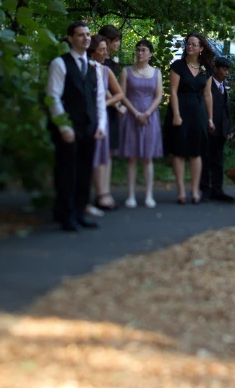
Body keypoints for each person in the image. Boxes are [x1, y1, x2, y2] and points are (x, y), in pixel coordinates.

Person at [46, 21, 107, 232]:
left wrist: (101, 125)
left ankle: (80, 213)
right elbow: (53, 97)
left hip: (89, 126)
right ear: (70, 38)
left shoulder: (94, 67)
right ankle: (65, 214)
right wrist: (63, 126)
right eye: (80, 35)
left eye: (88, 34)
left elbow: (98, 99)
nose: (86, 38)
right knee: (67, 171)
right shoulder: (59, 64)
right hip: (68, 127)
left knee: (84, 171)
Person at [163, 32, 216, 204]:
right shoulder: (177, 66)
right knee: (179, 152)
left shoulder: (206, 69)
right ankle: (181, 192)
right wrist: (176, 114)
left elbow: (208, 95)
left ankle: (194, 191)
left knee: (196, 152)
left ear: (201, 49)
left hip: (198, 112)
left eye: (194, 44)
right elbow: (172, 92)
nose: (190, 46)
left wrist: (210, 118)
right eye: (188, 44)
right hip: (180, 110)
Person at [118, 39, 163, 208]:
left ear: (150, 54)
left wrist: (147, 113)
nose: (140, 53)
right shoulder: (126, 71)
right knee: (132, 157)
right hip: (131, 115)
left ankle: (149, 195)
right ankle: (130, 195)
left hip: (150, 117)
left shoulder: (156, 73)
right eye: (138, 50)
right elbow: (121, 95)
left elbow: (158, 96)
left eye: (143, 50)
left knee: (147, 157)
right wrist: (136, 113)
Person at [88, 35, 125, 215]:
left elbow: (119, 94)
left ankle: (103, 193)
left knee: (104, 155)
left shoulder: (105, 70)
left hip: (102, 117)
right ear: (92, 50)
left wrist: (105, 104)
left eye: (105, 49)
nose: (105, 53)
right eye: (101, 49)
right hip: (87, 118)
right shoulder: (85, 68)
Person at [200, 56, 235, 202]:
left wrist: (229, 129)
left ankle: (218, 189)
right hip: (209, 127)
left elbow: (227, 110)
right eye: (224, 69)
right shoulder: (208, 85)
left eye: (227, 70)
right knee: (206, 158)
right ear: (216, 69)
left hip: (221, 130)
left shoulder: (224, 88)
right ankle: (204, 190)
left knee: (219, 161)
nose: (226, 73)